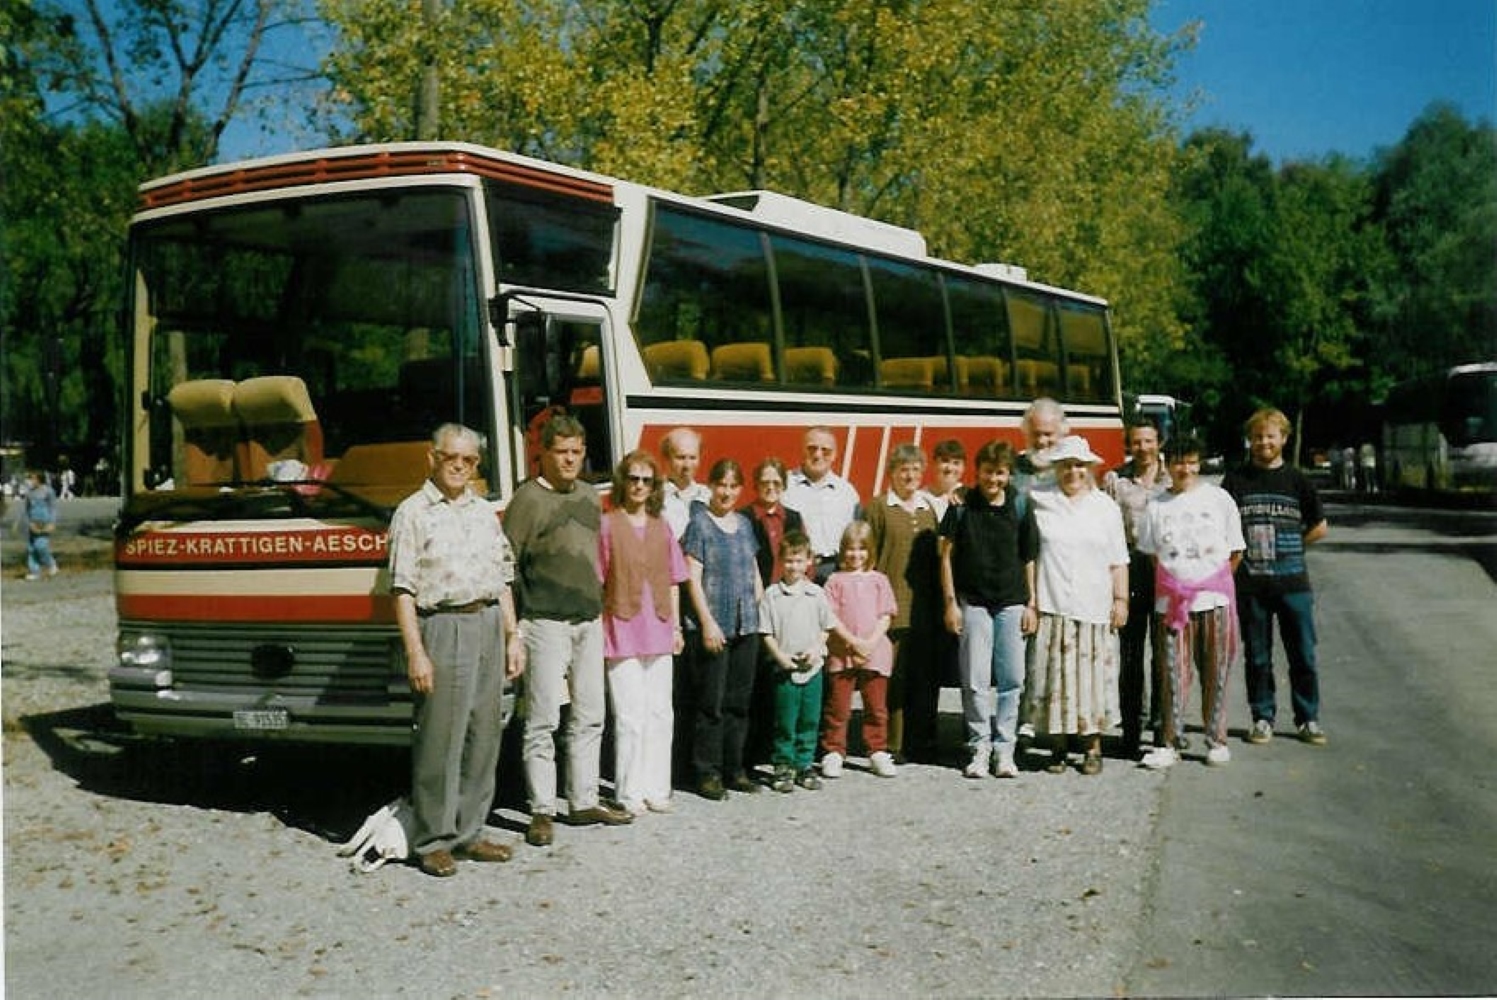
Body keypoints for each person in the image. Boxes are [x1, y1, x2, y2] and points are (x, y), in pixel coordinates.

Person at [388, 424, 526, 877]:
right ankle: (433, 839)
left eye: (469, 461)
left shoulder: (483, 511)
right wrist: (416, 652)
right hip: (441, 627)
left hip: (486, 621)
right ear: (433, 458)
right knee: (439, 738)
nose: (460, 468)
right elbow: (403, 589)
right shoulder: (412, 513)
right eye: (452, 459)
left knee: (483, 734)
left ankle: (470, 832)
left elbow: (502, 576)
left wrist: (512, 635)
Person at [505, 412, 632, 849]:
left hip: (587, 619)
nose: (570, 461)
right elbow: (509, 564)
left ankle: (582, 799)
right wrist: (516, 626)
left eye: (577, 453)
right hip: (544, 621)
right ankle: (541, 809)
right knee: (542, 719)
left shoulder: (589, 496)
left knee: (591, 712)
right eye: (562, 452)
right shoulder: (527, 500)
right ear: (544, 453)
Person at [1222, 408, 1329, 746]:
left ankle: (1307, 718)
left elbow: (1319, 527)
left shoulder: (1298, 480)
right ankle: (1262, 716)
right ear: (1249, 440)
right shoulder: (1236, 480)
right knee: (1257, 655)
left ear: (1284, 438)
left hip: (1293, 584)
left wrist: (1292, 546)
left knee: (1302, 653)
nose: (1263, 442)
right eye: (1257, 436)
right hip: (1251, 585)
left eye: (1270, 436)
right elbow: (1222, 528)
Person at [1137, 435, 1245, 769]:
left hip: (1214, 601)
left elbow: (1236, 551)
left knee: (1216, 672)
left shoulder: (1219, 499)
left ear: (1199, 463)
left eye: (1191, 461)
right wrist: (1178, 587)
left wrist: (1211, 583)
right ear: (1167, 464)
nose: (1185, 468)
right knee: (1172, 674)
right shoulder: (1155, 506)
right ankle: (1169, 741)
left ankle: (1216, 739)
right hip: (1171, 606)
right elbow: (1152, 556)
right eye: (1178, 461)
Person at [1029, 435, 1129, 775]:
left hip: (1094, 606)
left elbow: (1119, 559)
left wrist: (1120, 599)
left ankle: (1092, 747)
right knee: (1054, 680)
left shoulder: (1106, 508)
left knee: (1091, 681)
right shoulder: (1039, 500)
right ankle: (1057, 747)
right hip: (1052, 604)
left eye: (1079, 465)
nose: (1073, 471)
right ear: (1056, 468)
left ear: (1089, 468)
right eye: (1066, 464)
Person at [939, 440, 1038, 779]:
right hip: (974, 603)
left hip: (1012, 602)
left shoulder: (1021, 506)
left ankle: (1004, 749)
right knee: (975, 678)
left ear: (1008, 474)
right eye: (987, 471)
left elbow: (1029, 558)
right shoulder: (962, 505)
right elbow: (946, 557)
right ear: (977, 471)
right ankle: (979, 746)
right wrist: (951, 604)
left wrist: (1032, 603)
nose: (992, 479)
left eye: (999, 472)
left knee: (1013, 679)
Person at [599, 450, 689, 815]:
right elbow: (599, 579)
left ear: (654, 486)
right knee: (629, 715)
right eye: (633, 479)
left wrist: (678, 626)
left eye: (646, 480)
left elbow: (674, 579)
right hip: (622, 629)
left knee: (660, 712)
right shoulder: (607, 524)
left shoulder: (661, 525)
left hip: (661, 627)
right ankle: (629, 791)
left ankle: (657, 787)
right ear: (623, 482)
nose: (639, 486)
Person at [681, 458, 764, 799]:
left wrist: (759, 608)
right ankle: (707, 772)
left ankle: (735, 769)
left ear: (739, 489)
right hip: (715, 626)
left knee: (739, 703)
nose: (727, 492)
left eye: (733, 486)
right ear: (711, 487)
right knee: (711, 704)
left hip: (747, 625)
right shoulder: (699, 525)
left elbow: (754, 571)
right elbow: (692, 579)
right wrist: (707, 623)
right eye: (721, 485)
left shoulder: (744, 524)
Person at [865, 443, 942, 764]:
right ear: (892, 473)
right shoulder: (879, 507)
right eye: (902, 469)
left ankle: (922, 740)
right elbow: (868, 558)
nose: (909, 475)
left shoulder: (928, 509)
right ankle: (893, 743)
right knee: (893, 678)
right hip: (890, 609)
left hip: (926, 608)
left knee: (924, 677)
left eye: (914, 469)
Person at [758, 531, 851, 792]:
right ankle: (782, 766)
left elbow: (826, 627)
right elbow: (766, 633)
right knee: (785, 720)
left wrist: (816, 648)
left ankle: (804, 764)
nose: (794, 566)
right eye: (789, 561)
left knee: (809, 719)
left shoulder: (816, 594)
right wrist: (780, 658)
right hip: (784, 668)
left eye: (799, 561)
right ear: (781, 561)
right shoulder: (771, 595)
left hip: (813, 668)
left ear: (809, 561)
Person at [1103, 418, 1172, 758]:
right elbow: (1106, 527)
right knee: (1131, 655)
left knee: (1163, 652)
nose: (1143, 448)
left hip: (1165, 569)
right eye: (1136, 442)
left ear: (1158, 442)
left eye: (1148, 441)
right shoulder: (1116, 480)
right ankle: (1131, 728)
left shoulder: (1173, 479)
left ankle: (1162, 728)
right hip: (1130, 567)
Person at [740, 456, 806, 770]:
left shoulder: (794, 517)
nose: (770, 488)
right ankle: (753, 751)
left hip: (790, 606)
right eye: (765, 482)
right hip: (756, 607)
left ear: (784, 485)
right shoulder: (743, 518)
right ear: (756, 485)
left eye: (776, 483)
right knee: (756, 679)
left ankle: (783, 746)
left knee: (786, 678)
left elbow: (808, 561)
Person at [818, 521, 897, 779]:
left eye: (862, 549)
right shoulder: (834, 580)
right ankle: (834, 751)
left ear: (870, 551)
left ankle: (877, 750)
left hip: (875, 652)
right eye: (850, 549)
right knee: (838, 707)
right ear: (843, 551)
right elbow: (830, 617)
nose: (856, 555)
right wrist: (853, 642)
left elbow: (886, 615)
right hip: (843, 652)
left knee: (876, 706)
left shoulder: (879, 580)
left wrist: (870, 643)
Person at [783, 426, 861, 582]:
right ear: (803, 450)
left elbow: (856, 538)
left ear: (835, 455)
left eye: (826, 450)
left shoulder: (847, 492)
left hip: (837, 571)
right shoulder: (785, 487)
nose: (818, 455)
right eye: (812, 448)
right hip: (797, 571)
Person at [660, 426, 710, 539]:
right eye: (681, 458)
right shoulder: (654, 496)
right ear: (666, 458)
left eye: (693, 458)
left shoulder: (708, 495)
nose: (687, 465)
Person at [20, 470, 59, 581]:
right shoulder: (29, 493)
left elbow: (53, 508)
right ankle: (34, 571)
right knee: (31, 548)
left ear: (39, 479)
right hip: (33, 523)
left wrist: (52, 523)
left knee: (40, 546)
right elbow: (27, 510)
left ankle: (51, 564)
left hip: (45, 523)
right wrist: (29, 523)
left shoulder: (48, 491)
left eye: (33, 478)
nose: (30, 481)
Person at [928, 438, 967, 522]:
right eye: (945, 461)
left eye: (956, 463)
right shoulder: (921, 497)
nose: (949, 468)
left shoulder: (971, 498)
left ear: (963, 468)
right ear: (934, 463)